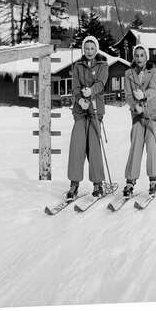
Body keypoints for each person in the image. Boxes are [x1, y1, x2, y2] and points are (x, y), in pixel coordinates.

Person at [66, 36, 109, 200]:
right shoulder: (78, 66)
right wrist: (80, 100)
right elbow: (75, 87)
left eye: (92, 48)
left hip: (96, 110)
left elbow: (101, 83)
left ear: (96, 49)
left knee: (93, 146)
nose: (89, 51)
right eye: (87, 48)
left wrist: (91, 91)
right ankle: (74, 184)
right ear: (83, 49)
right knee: (77, 145)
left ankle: (98, 183)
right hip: (80, 111)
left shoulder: (103, 65)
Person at [123, 44, 156, 197]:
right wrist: (134, 106)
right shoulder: (128, 73)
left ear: (146, 57)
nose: (139, 58)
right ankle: (130, 181)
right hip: (138, 115)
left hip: (151, 112)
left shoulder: (153, 71)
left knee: (151, 144)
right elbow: (127, 94)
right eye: (137, 55)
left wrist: (143, 95)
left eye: (142, 55)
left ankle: (153, 180)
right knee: (136, 145)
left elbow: (153, 90)